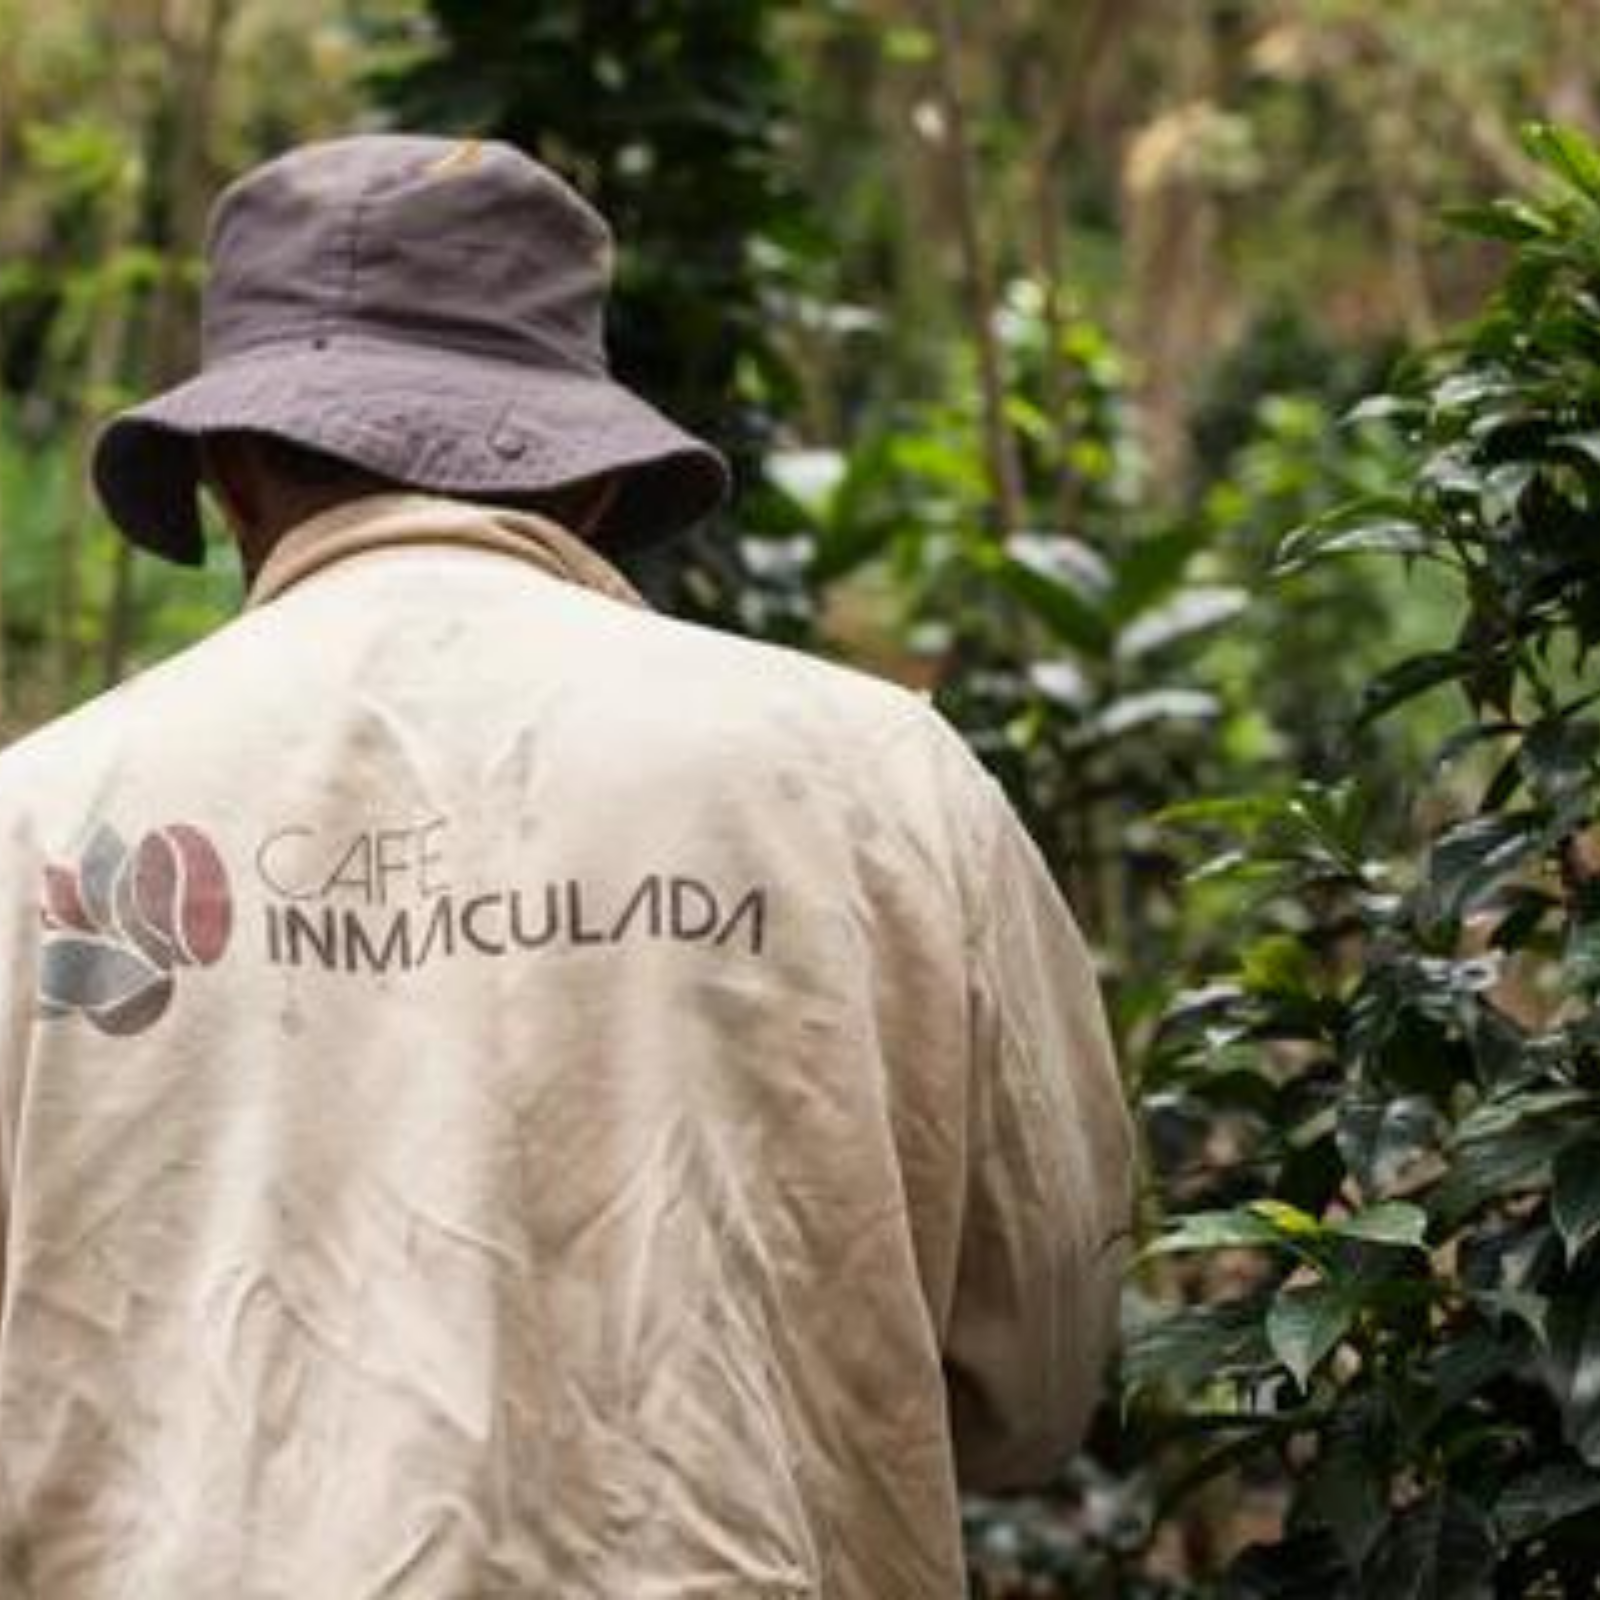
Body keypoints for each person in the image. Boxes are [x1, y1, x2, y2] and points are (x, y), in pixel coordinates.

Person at [0, 134, 1132, 1598]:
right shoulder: (872, 781)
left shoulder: (39, 820)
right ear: (591, 482)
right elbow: (1038, 1371)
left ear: (223, 478)